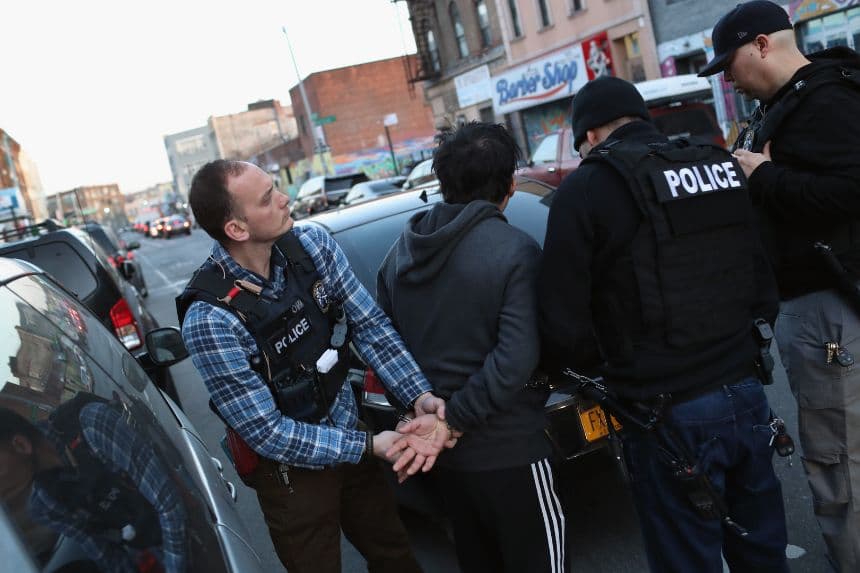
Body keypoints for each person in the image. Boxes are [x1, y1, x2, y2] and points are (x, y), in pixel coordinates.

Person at [538, 75, 789, 572]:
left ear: (589, 136)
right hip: (746, 388)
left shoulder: (585, 190)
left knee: (686, 559)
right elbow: (762, 274)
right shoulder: (717, 166)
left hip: (667, 411)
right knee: (762, 551)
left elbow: (562, 323)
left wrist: (605, 372)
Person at [176, 159, 450, 573]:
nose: (285, 199)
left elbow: (369, 325)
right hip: (290, 473)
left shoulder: (312, 245)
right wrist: (366, 446)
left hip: (347, 427)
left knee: (395, 554)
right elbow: (266, 433)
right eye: (269, 198)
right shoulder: (210, 319)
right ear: (237, 229)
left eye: (276, 187)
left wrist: (419, 394)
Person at [698, 2, 860, 570]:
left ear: (762, 44)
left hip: (827, 307)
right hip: (815, 305)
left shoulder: (823, 102)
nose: (726, 75)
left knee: (839, 458)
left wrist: (764, 175)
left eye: (729, 61)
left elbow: (850, 191)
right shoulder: (789, 104)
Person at [378, 122, 566, 573]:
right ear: (510, 185)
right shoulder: (516, 251)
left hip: (445, 461)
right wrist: (455, 420)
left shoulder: (398, 255)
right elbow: (516, 357)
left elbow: (384, 347)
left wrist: (431, 417)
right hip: (511, 450)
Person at [0, 396, 187, 573]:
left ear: (21, 445)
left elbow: (170, 504)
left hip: (199, 526)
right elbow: (108, 556)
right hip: (159, 546)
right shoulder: (44, 504)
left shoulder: (92, 425)